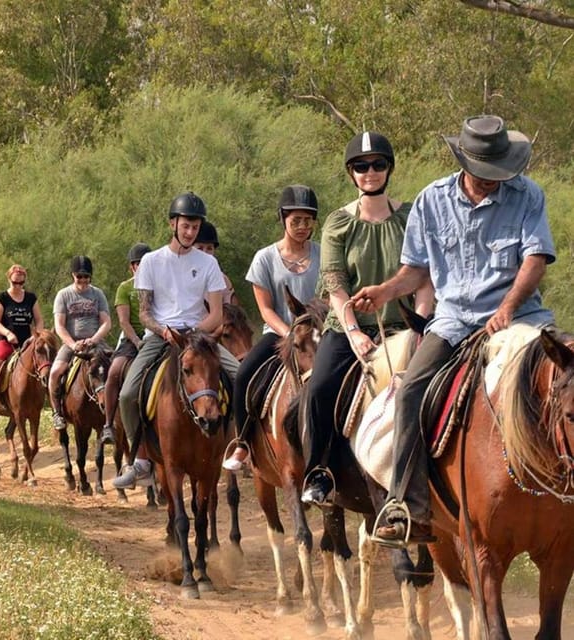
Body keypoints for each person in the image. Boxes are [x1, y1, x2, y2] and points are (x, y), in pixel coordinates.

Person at [352, 115, 556, 545]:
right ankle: (410, 507)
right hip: (454, 321)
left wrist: (507, 307)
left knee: (562, 377)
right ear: (464, 162)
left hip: (520, 319)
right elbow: (416, 271)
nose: (489, 182)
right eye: (482, 174)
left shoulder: (527, 195)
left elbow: (534, 260)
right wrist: (385, 291)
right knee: (409, 392)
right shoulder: (432, 200)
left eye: (496, 174)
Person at [300, 132, 434, 507]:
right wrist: (355, 333)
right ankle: (320, 472)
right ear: (351, 173)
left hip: (407, 326)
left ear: (389, 168)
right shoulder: (338, 223)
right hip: (348, 328)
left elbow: (426, 278)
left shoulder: (412, 217)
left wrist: (419, 324)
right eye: (361, 166)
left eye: (377, 164)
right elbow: (335, 285)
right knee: (321, 387)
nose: (370, 172)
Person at [113, 192, 240, 489]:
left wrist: (193, 332)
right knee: (127, 395)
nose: (190, 232)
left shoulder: (207, 264)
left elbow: (217, 314)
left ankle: (241, 445)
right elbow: (143, 313)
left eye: (195, 227)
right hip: (160, 337)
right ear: (173, 223)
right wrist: (163, 331)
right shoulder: (151, 261)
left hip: (198, 337)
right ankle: (140, 458)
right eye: (186, 226)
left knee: (241, 375)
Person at [222, 185, 321, 471]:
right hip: (279, 333)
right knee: (243, 376)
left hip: (317, 334)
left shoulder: (324, 253)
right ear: (283, 220)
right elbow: (265, 308)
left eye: (308, 220)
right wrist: (289, 333)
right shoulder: (264, 258)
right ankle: (242, 443)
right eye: (296, 221)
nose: (302, 227)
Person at [48, 255, 112, 430]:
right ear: (73, 276)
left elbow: (106, 322)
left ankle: (116, 412)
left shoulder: (97, 294)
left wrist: (94, 339)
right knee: (54, 373)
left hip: (95, 342)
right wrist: (72, 344)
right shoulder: (64, 295)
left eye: (86, 276)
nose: (83, 280)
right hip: (72, 344)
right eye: (79, 276)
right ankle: (57, 413)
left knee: (115, 368)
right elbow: (59, 326)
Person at [99, 242, 152, 446]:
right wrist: (138, 341)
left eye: (146, 263)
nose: (142, 267)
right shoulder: (125, 288)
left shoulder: (160, 284)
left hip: (157, 335)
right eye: (138, 264)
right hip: (133, 338)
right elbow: (123, 321)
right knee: (114, 371)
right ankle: (109, 424)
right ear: (132, 266)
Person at [0, 264, 44, 420]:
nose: (18, 286)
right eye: (15, 282)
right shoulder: (2, 298)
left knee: (46, 364)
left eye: (21, 283)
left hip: (28, 342)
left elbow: (39, 320)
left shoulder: (31, 298)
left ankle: (53, 405)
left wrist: (36, 336)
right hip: (6, 341)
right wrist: (8, 333)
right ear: (9, 279)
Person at [194, 220, 239, 306]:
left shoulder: (222, 279)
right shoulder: (177, 275)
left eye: (209, 248)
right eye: (200, 248)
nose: (205, 253)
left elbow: (234, 313)